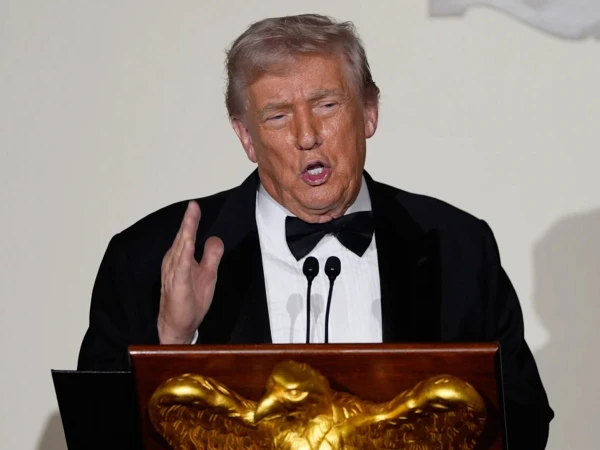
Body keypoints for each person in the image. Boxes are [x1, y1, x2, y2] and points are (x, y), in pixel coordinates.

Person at [77, 14, 553, 448]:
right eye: (278, 115)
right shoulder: (147, 258)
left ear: (369, 112)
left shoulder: (459, 247)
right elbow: (95, 435)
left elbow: (525, 419)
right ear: (246, 137)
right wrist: (172, 343)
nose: (307, 136)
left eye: (326, 105)